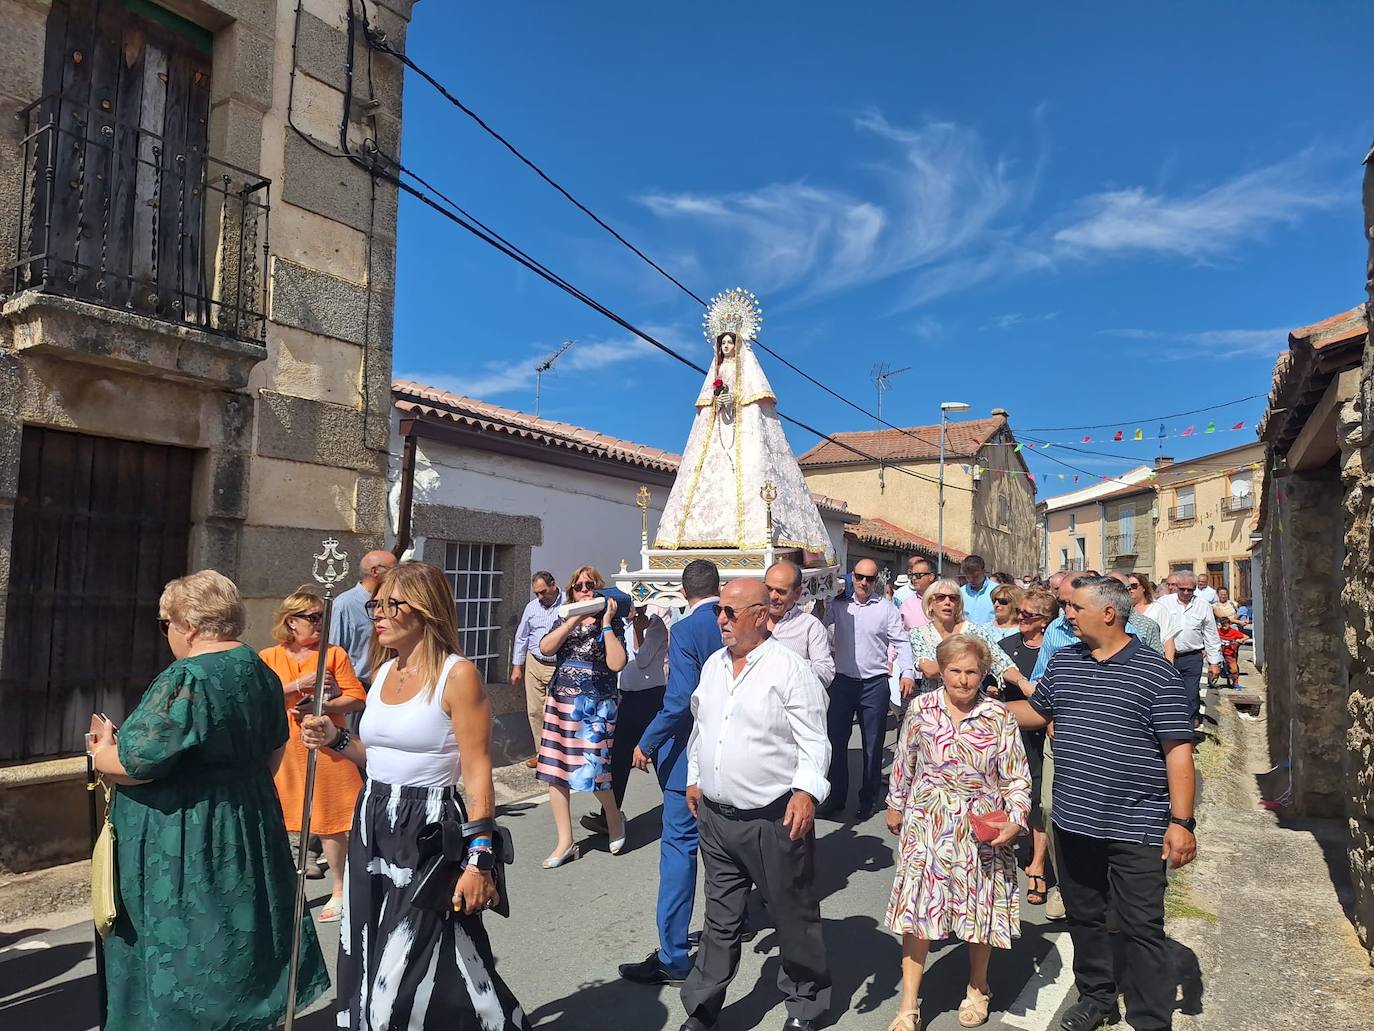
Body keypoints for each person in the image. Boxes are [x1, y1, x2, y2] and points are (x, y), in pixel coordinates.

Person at [87, 570, 329, 1029]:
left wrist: (102, 751)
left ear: (189, 625)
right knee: (242, 943)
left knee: (188, 950)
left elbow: (137, 764)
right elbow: (275, 746)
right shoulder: (260, 669)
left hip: (187, 837)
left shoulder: (188, 677)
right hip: (248, 820)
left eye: (165, 623)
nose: (167, 634)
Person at [300, 561, 529, 1030]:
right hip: (372, 817)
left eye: (390, 605)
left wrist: (479, 858)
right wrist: (336, 740)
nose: (377, 615)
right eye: (375, 605)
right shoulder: (383, 673)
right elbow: (377, 756)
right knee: (375, 946)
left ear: (425, 610)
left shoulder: (457, 675)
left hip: (427, 826)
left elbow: (478, 769)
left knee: (404, 961)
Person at [1003, 576, 1197, 1031]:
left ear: (1108, 613)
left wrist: (1182, 821)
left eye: (1075, 608)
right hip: (1073, 820)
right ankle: (1097, 998)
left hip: (1138, 825)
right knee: (1086, 918)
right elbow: (1038, 712)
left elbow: (1177, 751)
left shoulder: (1155, 671)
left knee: (1141, 926)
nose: (1067, 614)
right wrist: (976, 707)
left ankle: (1151, 1017)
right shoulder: (1066, 663)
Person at [679, 579, 832, 1031]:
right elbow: (702, 729)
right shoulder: (713, 665)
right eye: (719, 612)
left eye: (730, 612)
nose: (721, 620)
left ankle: (805, 1005)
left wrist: (805, 791)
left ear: (762, 615)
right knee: (719, 918)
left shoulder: (789, 669)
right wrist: (694, 778)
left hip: (773, 819)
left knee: (792, 914)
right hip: (716, 818)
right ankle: (702, 1008)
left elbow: (814, 740)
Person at [884, 634, 1031, 1031]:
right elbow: (905, 761)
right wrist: (895, 803)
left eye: (972, 672)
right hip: (927, 821)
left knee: (977, 909)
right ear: (942, 671)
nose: (963, 680)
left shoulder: (998, 716)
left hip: (979, 825)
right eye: (955, 671)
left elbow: (1017, 777)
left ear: (983, 674)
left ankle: (977, 987)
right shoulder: (921, 708)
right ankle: (909, 1003)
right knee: (918, 912)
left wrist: (1015, 817)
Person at [653, 305, 833, 562]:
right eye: (722, 342)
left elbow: (753, 403)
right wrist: (719, 401)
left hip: (744, 433)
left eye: (729, 341)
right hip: (716, 434)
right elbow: (708, 404)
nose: (725, 346)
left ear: (737, 344)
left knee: (750, 474)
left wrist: (734, 399)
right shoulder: (714, 373)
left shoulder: (749, 371)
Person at [620, 559, 722, 986]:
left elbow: (680, 699)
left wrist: (648, 740)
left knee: (680, 848)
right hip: (736, 757)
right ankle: (728, 931)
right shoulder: (742, 623)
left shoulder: (687, 629)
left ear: (683, 592)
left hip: (691, 757)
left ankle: (674, 955)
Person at [261, 591, 366, 921]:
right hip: (285, 750)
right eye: (313, 616)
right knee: (282, 822)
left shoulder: (334, 654)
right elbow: (259, 698)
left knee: (331, 824)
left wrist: (324, 705)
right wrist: (297, 685)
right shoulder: (268, 656)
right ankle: (284, 893)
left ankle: (340, 889)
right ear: (291, 621)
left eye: (323, 616)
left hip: (326, 748)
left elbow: (357, 698)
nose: (320, 623)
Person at [535, 565, 628, 866]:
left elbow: (617, 663)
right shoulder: (564, 617)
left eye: (590, 585)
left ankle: (614, 819)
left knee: (594, 770)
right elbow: (545, 648)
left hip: (597, 705)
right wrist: (572, 618)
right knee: (556, 771)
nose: (585, 589)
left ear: (599, 589)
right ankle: (565, 842)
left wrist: (607, 623)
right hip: (561, 701)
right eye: (579, 586)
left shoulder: (612, 623)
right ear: (571, 591)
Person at [819, 558, 914, 820]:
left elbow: (902, 642)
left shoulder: (885, 610)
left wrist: (907, 672)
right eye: (859, 577)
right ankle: (836, 798)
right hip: (841, 682)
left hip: (874, 684)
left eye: (869, 579)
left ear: (876, 581)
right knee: (836, 742)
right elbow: (822, 631)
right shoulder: (838, 606)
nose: (863, 582)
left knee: (873, 745)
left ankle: (869, 799)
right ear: (852, 577)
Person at [998, 586, 1058, 909]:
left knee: (1039, 798)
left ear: (1046, 621)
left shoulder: (1056, 649)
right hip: (1008, 733)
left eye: (1028, 614)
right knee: (1005, 793)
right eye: (1019, 611)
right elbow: (990, 680)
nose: (1020, 617)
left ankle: (1037, 865)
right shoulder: (1006, 646)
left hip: (1041, 733)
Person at [589, 602, 669, 829]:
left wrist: (638, 630)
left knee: (660, 755)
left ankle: (677, 809)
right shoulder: (619, 625)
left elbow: (643, 660)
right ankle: (609, 815)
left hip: (650, 696)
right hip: (626, 697)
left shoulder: (655, 626)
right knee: (619, 758)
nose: (635, 612)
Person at [908, 579, 1032, 697]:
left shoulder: (974, 631)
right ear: (930, 603)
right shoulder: (919, 633)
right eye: (941, 597)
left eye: (953, 598)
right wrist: (971, 659)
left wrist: (1022, 681)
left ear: (958, 604)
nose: (947, 602)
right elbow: (929, 670)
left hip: (971, 703)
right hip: (933, 705)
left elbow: (1001, 662)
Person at [511, 570, 564, 768]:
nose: (540, 597)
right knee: (534, 711)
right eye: (537, 593)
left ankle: (557, 754)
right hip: (534, 662)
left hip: (558, 664)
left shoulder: (568, 604)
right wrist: (517, 666)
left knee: (553, 711)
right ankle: (541, 753)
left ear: (553, 585)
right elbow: (522, 636)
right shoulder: (532, 608)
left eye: (543, 592)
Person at [1157, 570, 1221, 723]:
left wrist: (1214, 663)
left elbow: (1211, 634)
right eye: (1182, 589)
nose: (1186, 592)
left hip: (1192, 657)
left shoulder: (1203, 605)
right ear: (1176, 587)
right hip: (1166, 657)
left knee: (1191, 695)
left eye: (1190, 589)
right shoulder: (1164, 603)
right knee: (1168, 695)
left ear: (1195, 589)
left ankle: (1188, 733)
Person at [328, 549, 396, 690]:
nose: (398, 575)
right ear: (374, 571)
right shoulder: (345, 605)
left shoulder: (395, 602)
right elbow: (334, 650)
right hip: (357, 687)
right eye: (394, 569)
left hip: (389, 683)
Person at [765, 559, 835, 687]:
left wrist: (790, 664)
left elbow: (826, 674)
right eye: (768, 589)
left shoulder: (810, 626)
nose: (773, 597)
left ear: (797, 593)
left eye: (781, 591)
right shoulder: (751, 619)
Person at [1127, 573, 1178, 663]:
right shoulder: (1124, 610)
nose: (1130, 589)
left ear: (1143, 588)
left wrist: (1169, 663)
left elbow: (1168, 638)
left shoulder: (1158, 609)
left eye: (1134, 586)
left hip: (1153, 658)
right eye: (1127, 587)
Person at [897, 557, 937, 632]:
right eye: (912, 575)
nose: (914, 578)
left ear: (931, 577)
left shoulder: (944, 601)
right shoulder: (907, 605)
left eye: (918, 575)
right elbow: (898, 634)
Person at [959, 554, 996, 624]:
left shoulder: (997, 590)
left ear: (983, 571)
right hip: (967, 634)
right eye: (967, 576)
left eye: (976, 576)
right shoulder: (960, 592)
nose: (971, 580)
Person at [1217, 617, 1247, 687]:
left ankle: (1235, 683)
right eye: (1222, 625)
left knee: (1234, 669)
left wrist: (1240, 640)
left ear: (1229, 624)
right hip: (1219, 651)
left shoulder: (1233, 632)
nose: (1224, 627)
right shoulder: (1218, 631)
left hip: (1230, 652)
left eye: (1226, 625)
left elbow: (1246, 636)